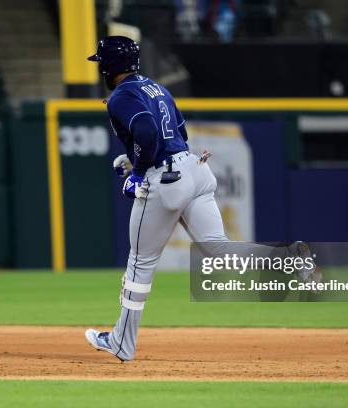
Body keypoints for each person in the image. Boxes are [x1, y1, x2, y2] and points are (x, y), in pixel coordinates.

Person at [84, 36, 320, 362]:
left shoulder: (121, 96)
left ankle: (122, 343)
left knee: (140, 264)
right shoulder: (156, 88)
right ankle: (291, 257)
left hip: (165, 181)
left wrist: (138, 173)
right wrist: (134, 160)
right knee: (219, 250)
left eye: (102, 64)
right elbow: (175, 134)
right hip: (193, 169)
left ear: (110, 66)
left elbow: (149, 133)